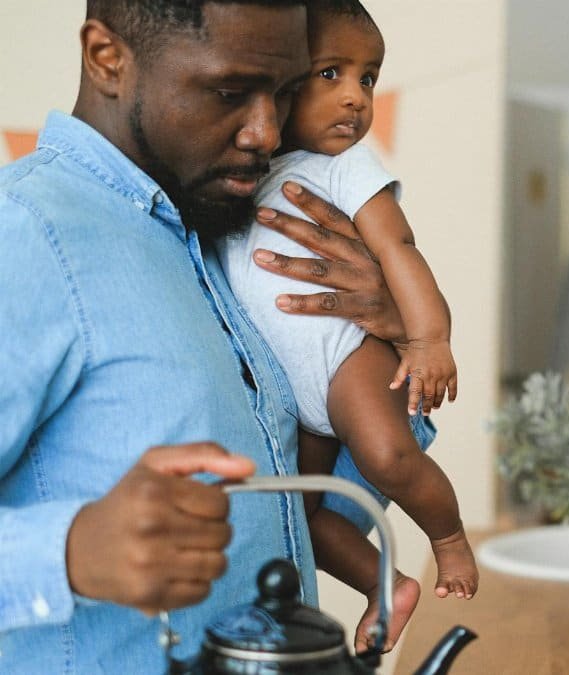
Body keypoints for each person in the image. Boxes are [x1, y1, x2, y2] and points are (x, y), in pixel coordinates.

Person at [0, 1, 416, 671]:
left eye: (284, 93)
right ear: (107, 58)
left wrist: (391, 341)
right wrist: (71, 549)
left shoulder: (224, 232)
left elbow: (286, 525)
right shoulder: (25, 233)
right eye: (230, 92)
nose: (265, 130)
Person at [216, 0, 478, 649]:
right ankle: (381, 582)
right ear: (281, 82)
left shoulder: (346, 167)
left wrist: (428, 337)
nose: (356, 98)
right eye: (331, 73)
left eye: (368, 78)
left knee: (388, 454)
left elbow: (399, 249)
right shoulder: (252, 174)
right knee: (302, 513)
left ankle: (447, 538)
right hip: (298, 395)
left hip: (343, 358)